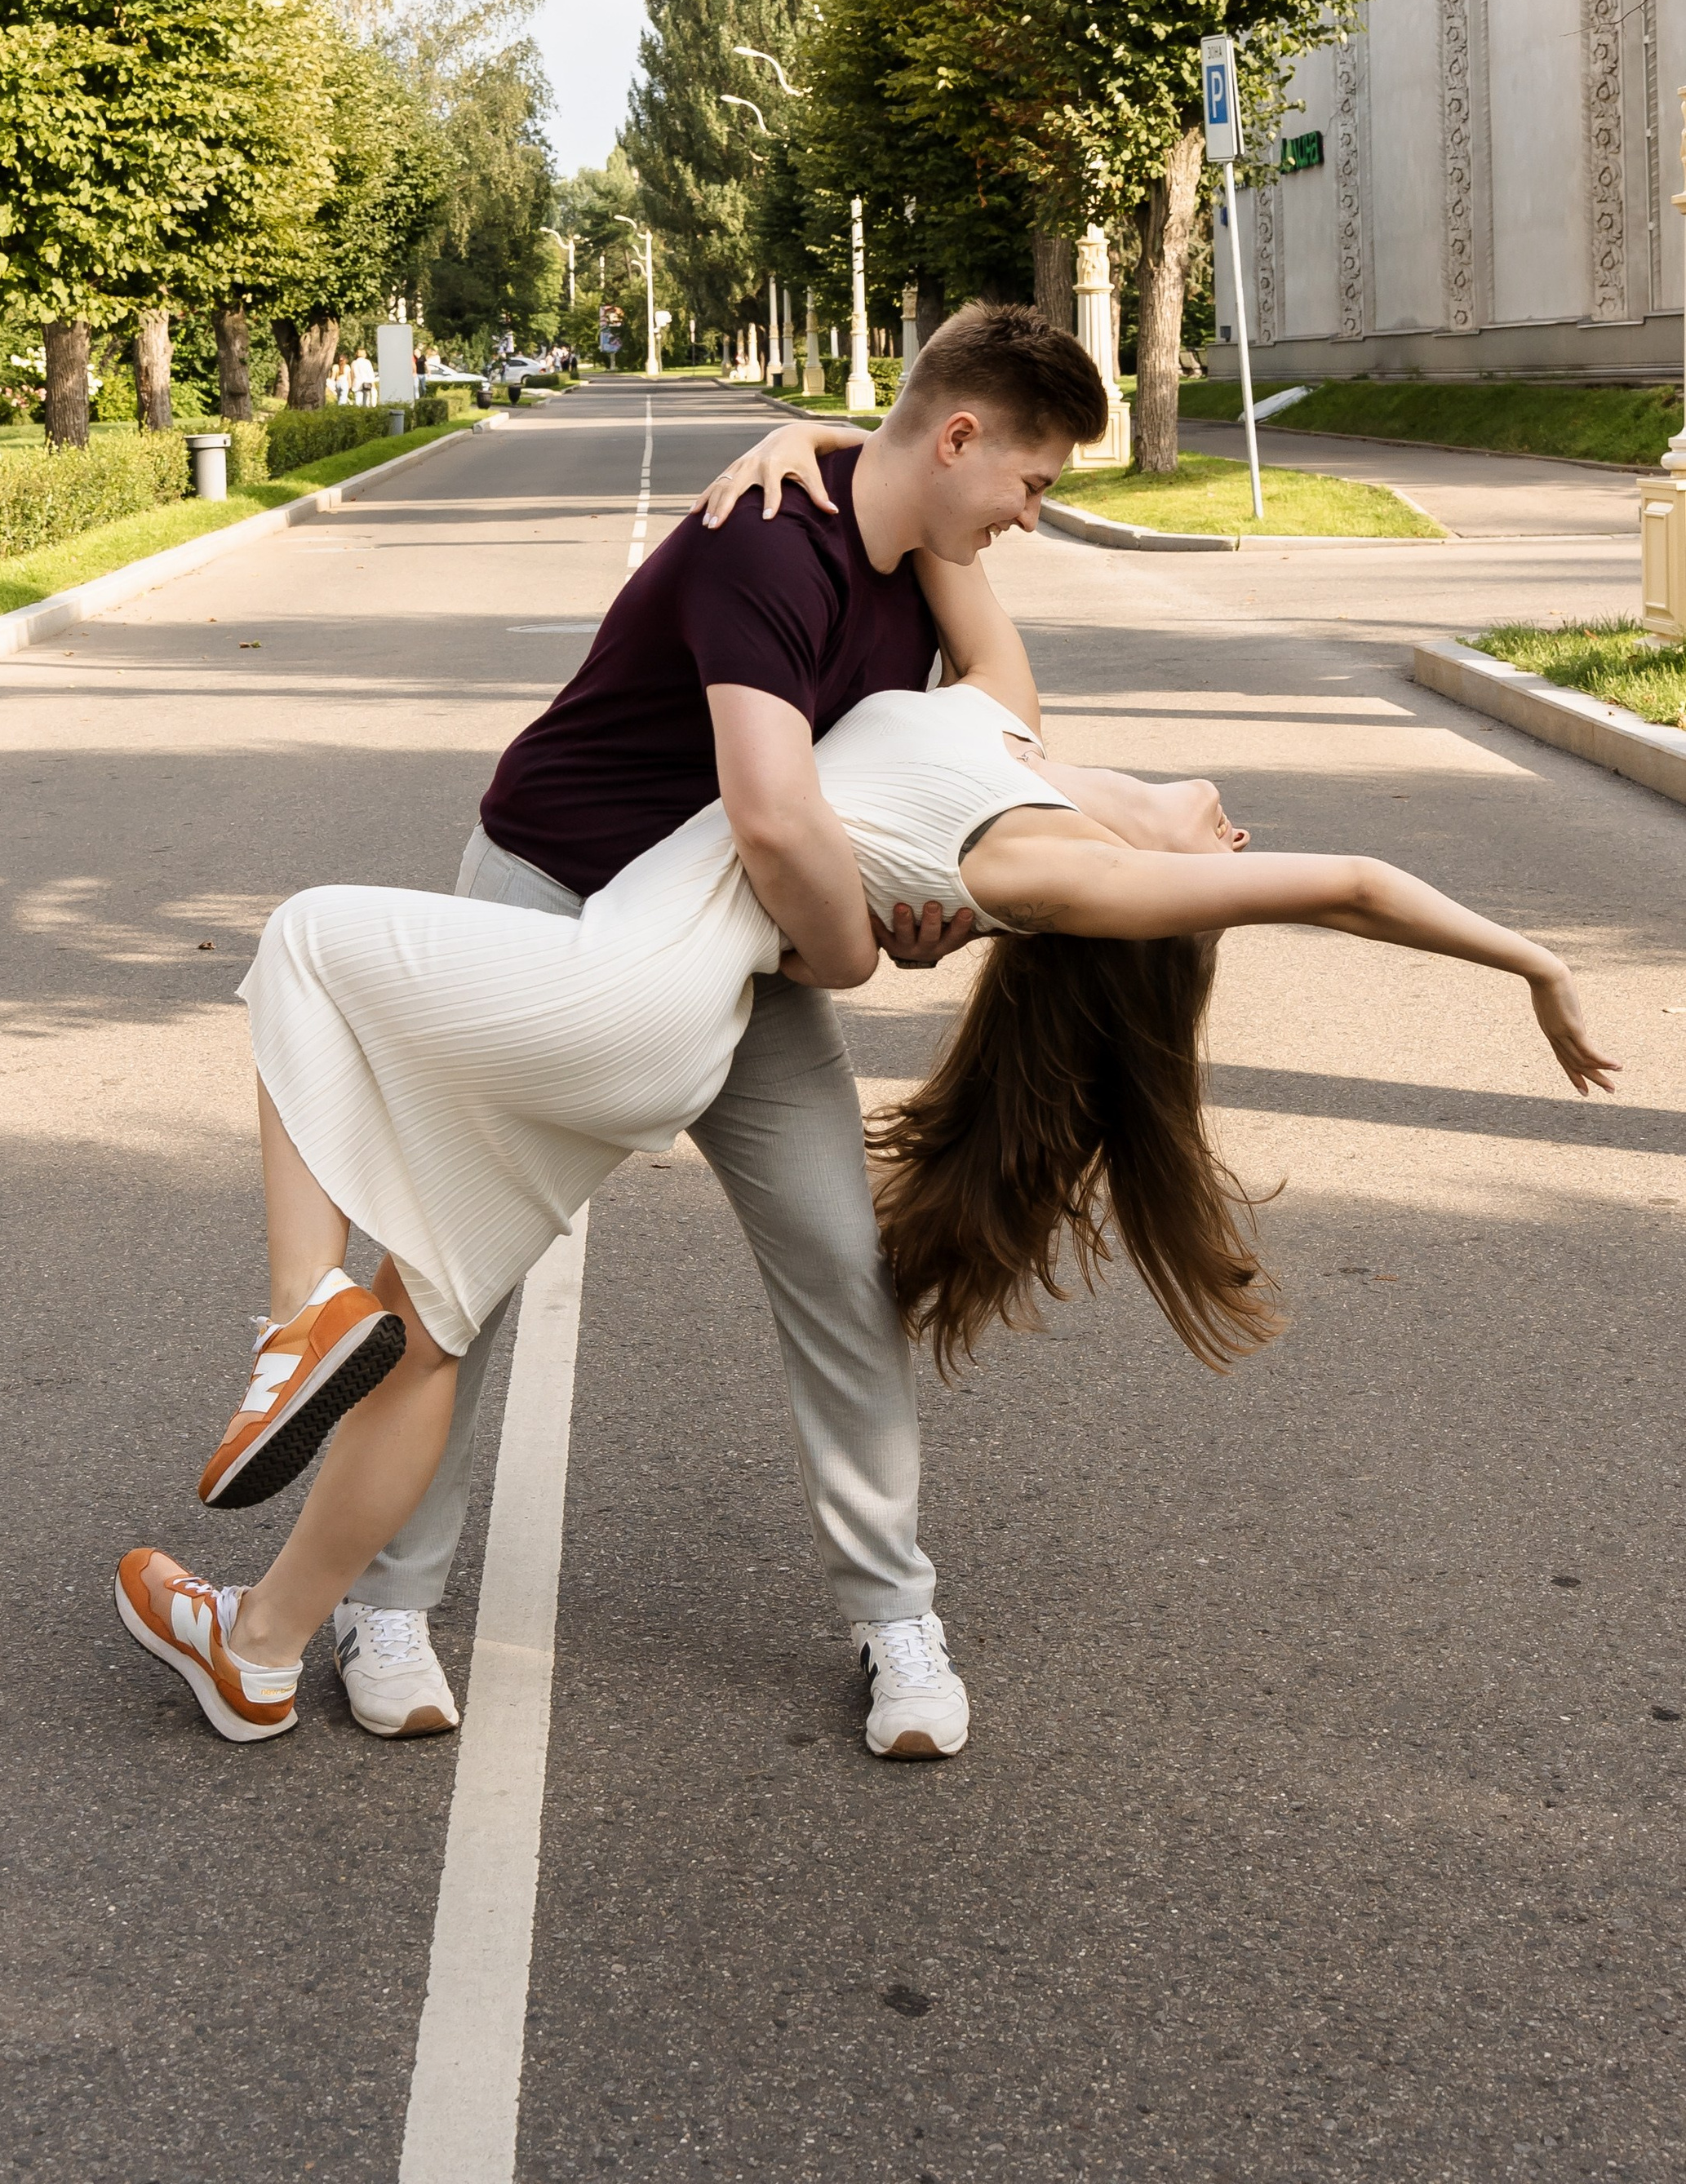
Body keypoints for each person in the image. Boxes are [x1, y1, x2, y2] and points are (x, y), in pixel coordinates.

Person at [114, 578, 1619, 1750]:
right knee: (447, 1301)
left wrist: (1533, 961)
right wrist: (801, 428)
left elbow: (1352, 886)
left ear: (1179, 886)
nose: (1240, 828)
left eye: (1226, 860)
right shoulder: (1011, 725)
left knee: (321, 967)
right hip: (659, 959)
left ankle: (888, 1618)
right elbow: (953, 476)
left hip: (656, 990)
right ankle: (329, 1626)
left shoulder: (1061, 870)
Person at [118, 303, 1108, 1754]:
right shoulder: (764, 541)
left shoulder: (915, 561)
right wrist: (856, 952)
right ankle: (382, 1606)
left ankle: (897, 1617)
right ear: (959, 439)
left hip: (733, 946)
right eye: (1031, 485)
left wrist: (845, 443)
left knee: (839, 1258)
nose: (1036, 517)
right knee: (460, 1280)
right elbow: (776, 816)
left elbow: (1010, 732)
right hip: (560, 902)